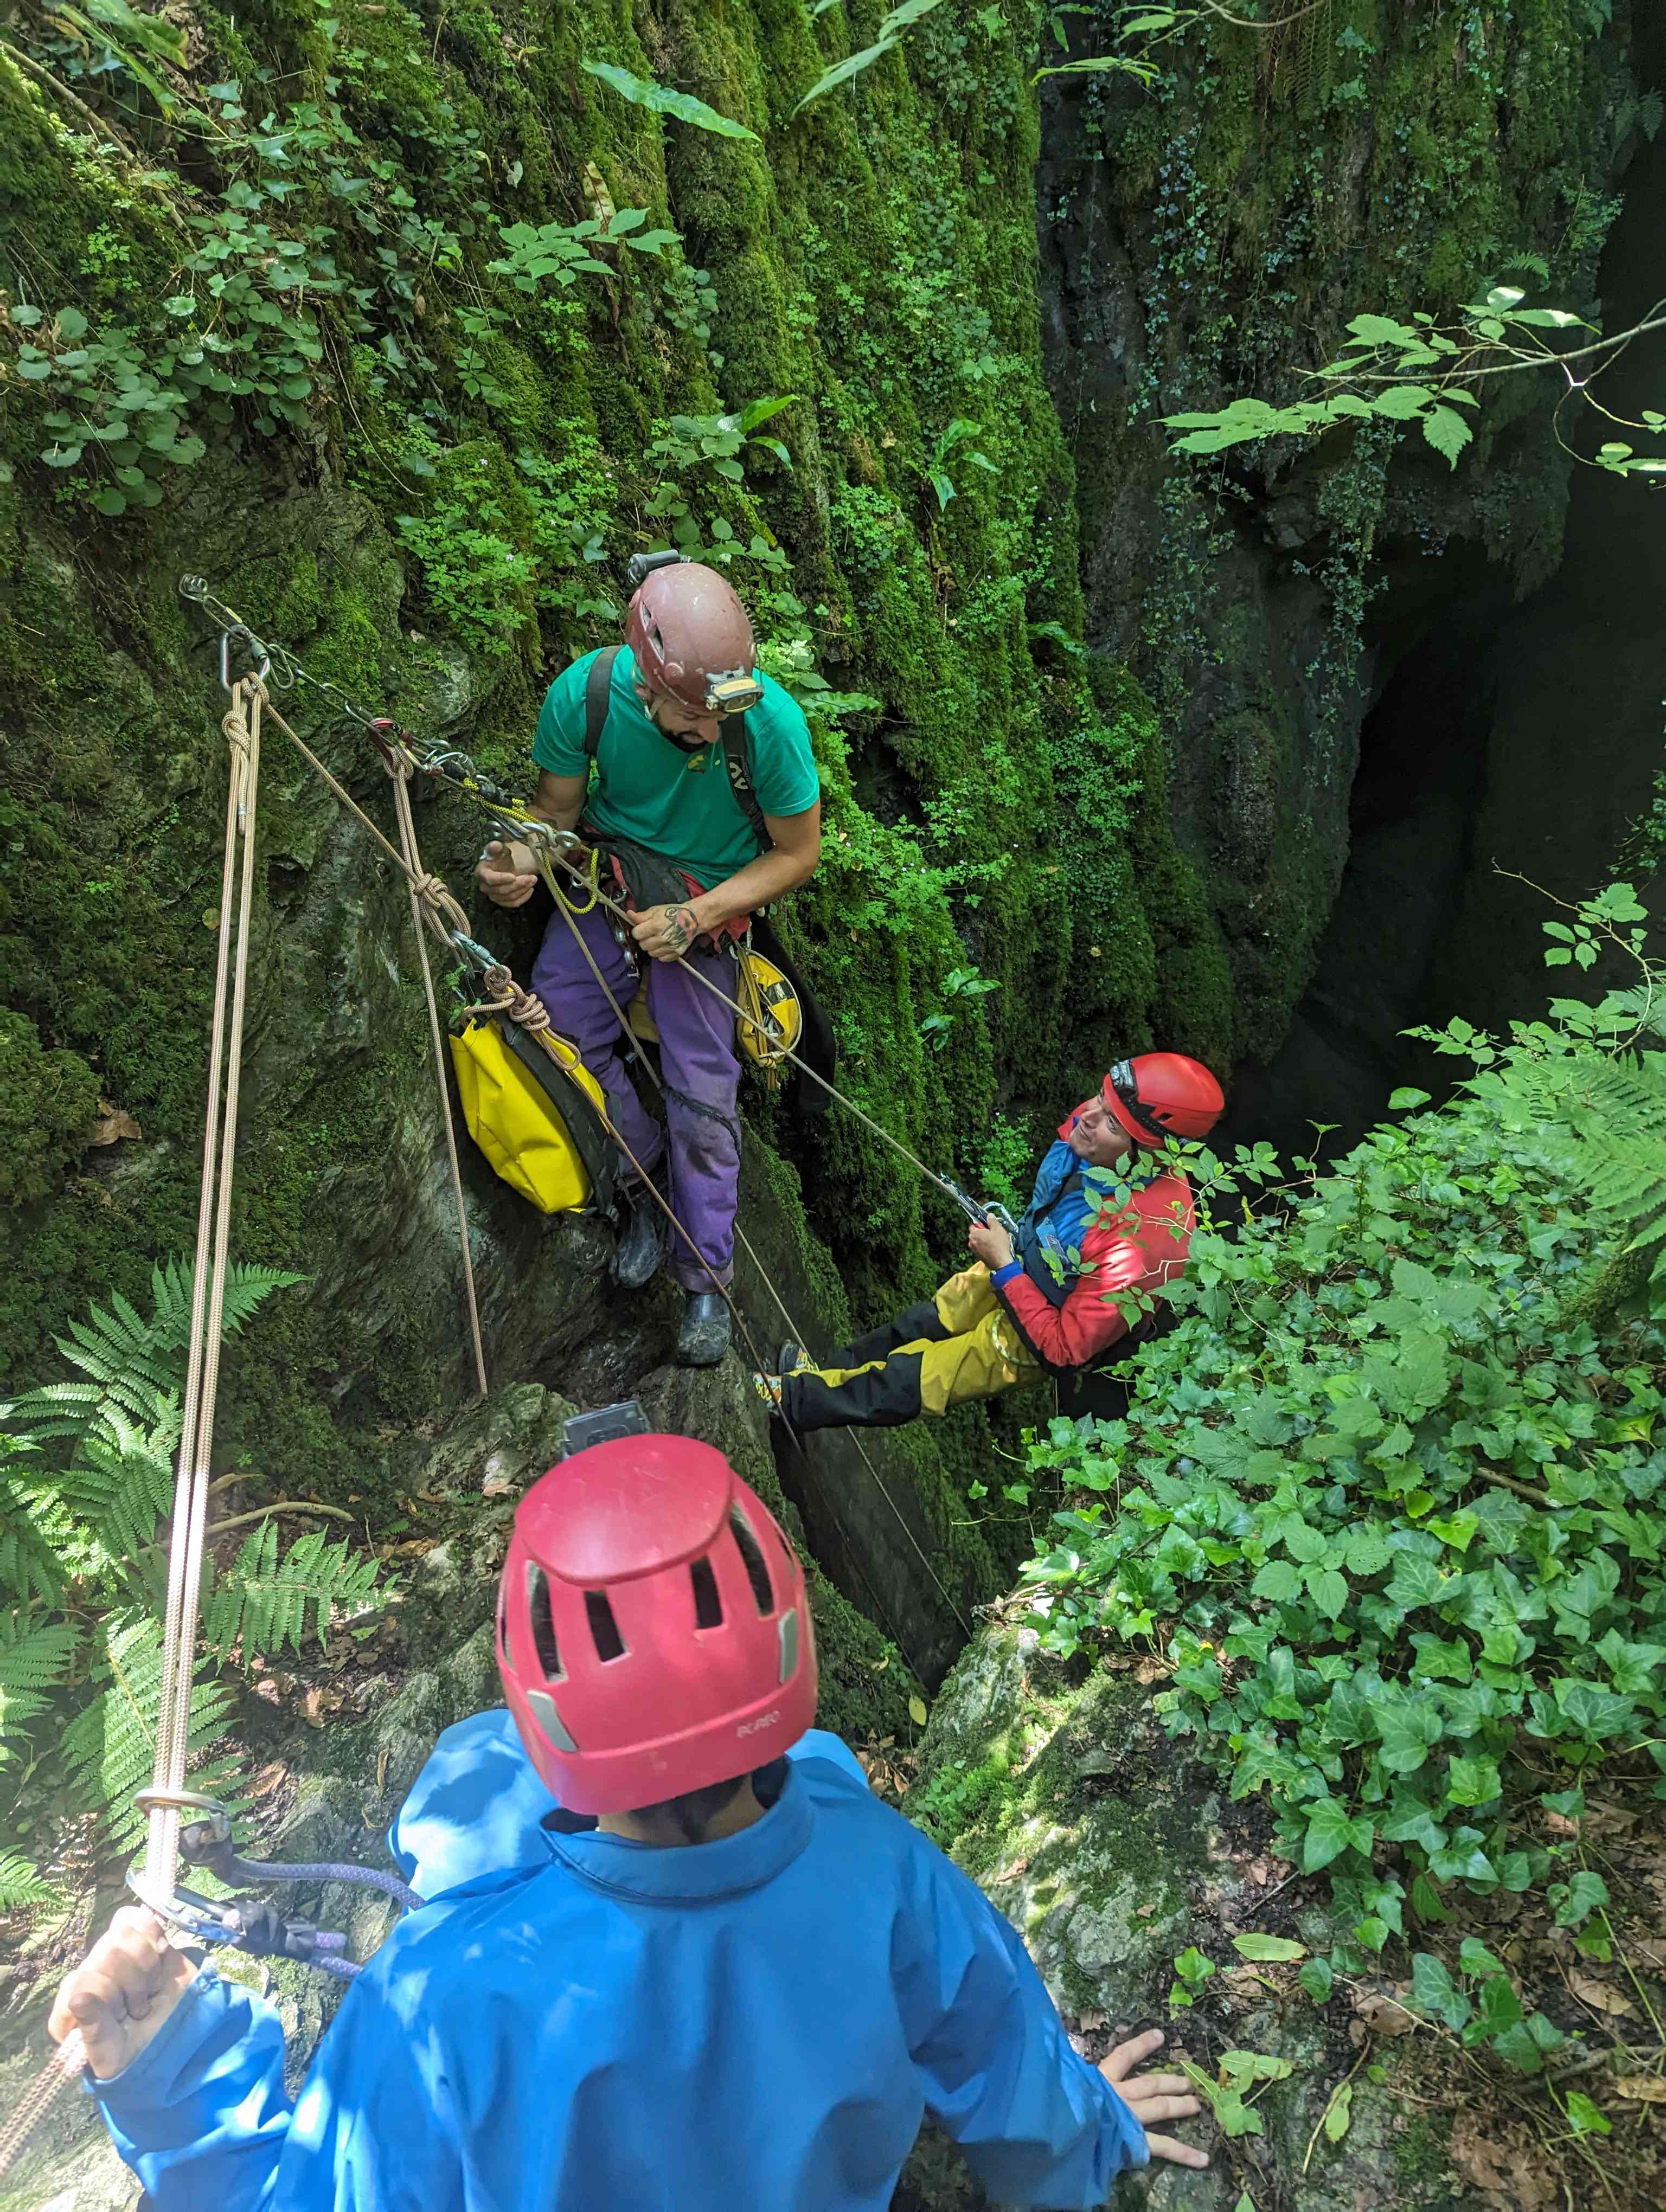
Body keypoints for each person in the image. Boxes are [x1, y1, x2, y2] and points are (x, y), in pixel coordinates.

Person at [51, 1431, 1210, 2210]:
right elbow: (1000, 2057)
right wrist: (1094, 2131)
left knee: (460, 1801)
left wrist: (174, 2075)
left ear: (543, 1712)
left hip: (514, 1954)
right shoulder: (886, 1870)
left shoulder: (440, 1993)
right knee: (808, 1775)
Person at [477, 556, 823, 1366]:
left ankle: (705, 1280)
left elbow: (797, 853)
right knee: (557, 1036)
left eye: (724, 710)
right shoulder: (590, 694)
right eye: (695, 714)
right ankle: (639, 1179)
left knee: (703, 1089)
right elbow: (555, 813)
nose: (713, 728)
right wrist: (519, 862)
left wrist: (697, 916)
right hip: (611, 874)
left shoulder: (767, 724)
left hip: (707, 898)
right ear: (646, 680)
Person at [759, 1053, 1224, 1432]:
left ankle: (793, 1400)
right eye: (1100, 1098)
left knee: (922, 1377)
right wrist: (1009, 1257)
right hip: (1022, 1261)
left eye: (1112, 1124)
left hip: (1042, 1320)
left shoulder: (1144, 1240)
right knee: (920, 1325)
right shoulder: (1100, 1125)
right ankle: (821, 1375)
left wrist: (1004, 1265)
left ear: (1150, 1153)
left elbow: (1063, 1350)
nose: (1087, 1117)